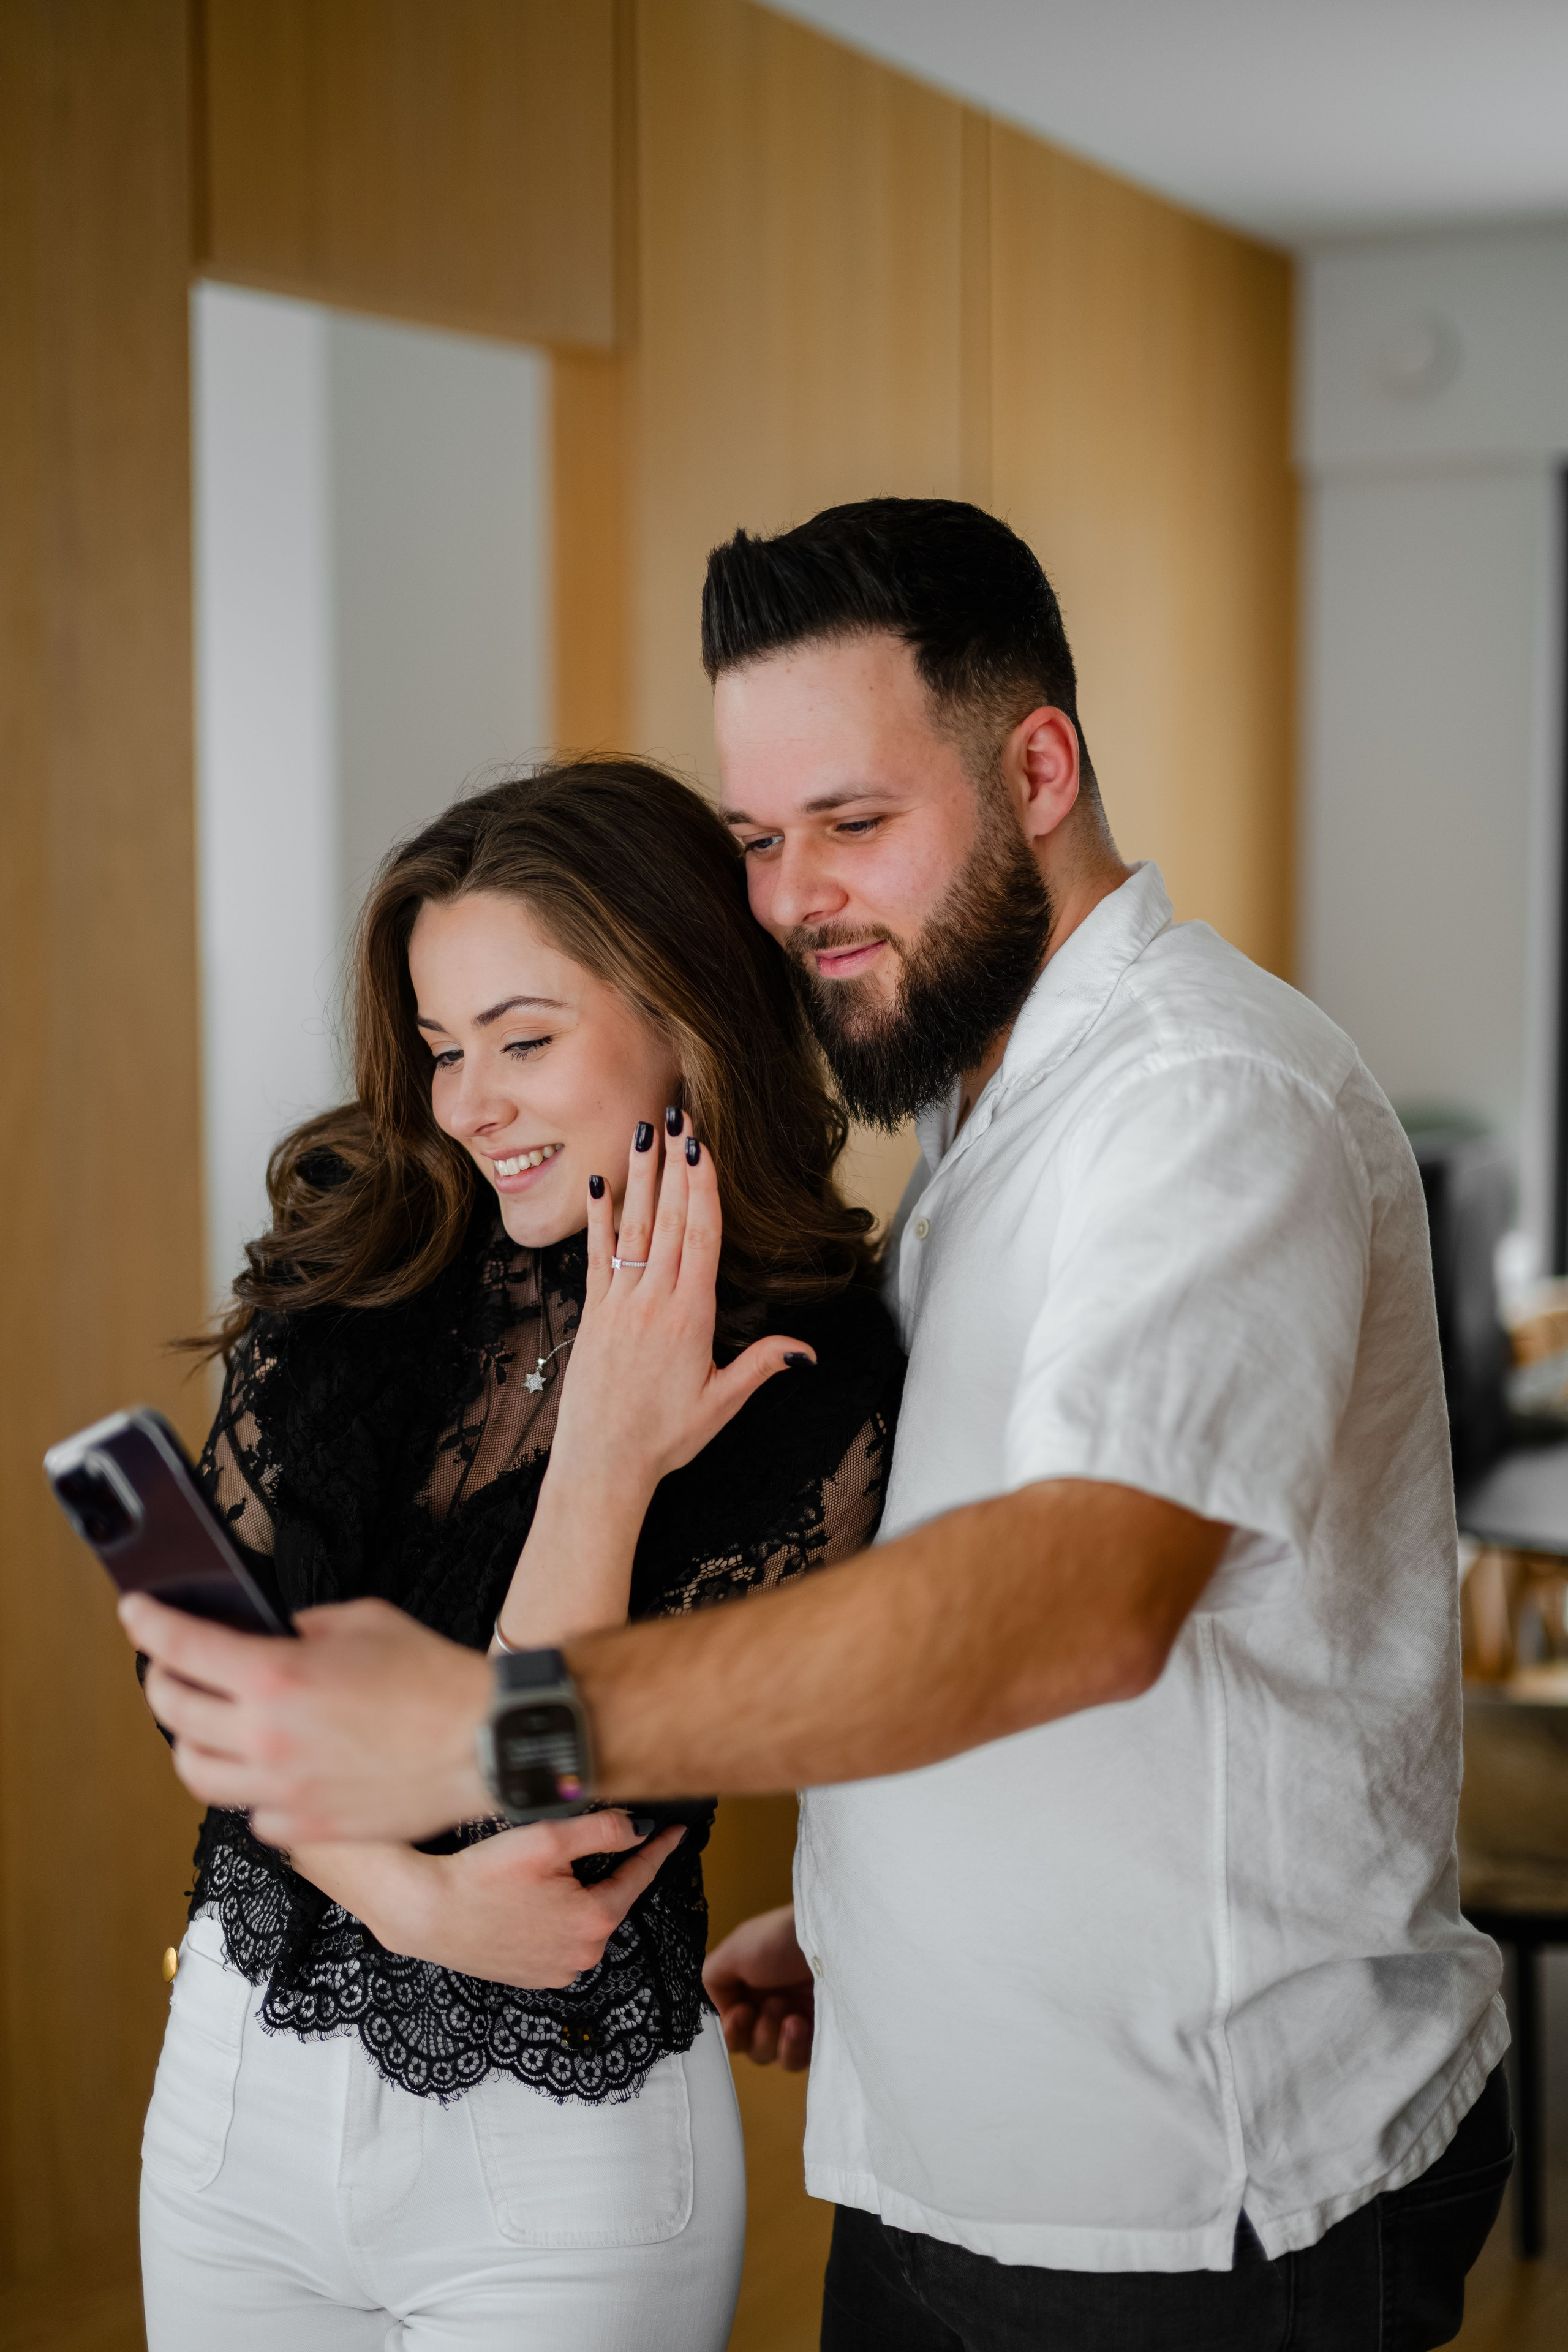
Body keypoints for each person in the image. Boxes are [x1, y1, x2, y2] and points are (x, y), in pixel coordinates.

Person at [130, 500, 1513, 2350]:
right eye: (761, 842)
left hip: (1194, 2205)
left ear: (1038, 767)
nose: (792, 902)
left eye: (854, 826)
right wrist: (867, 1918)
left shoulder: (1201, 1103)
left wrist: (488, 1723)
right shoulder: (983, 1113)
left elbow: (1074, 1602)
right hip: (954, 2147)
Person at [135, 760, 905, 2351]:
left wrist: (608, 1461)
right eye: (439, 1049)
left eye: (524, 1042)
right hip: (235, 2084)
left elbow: (536, 1793)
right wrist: (400, 1904)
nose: (468, 1103)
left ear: (689, 1011)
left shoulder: (816, 1379)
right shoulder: (367, 1238)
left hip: (556, 2160)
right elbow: (203, 1687)